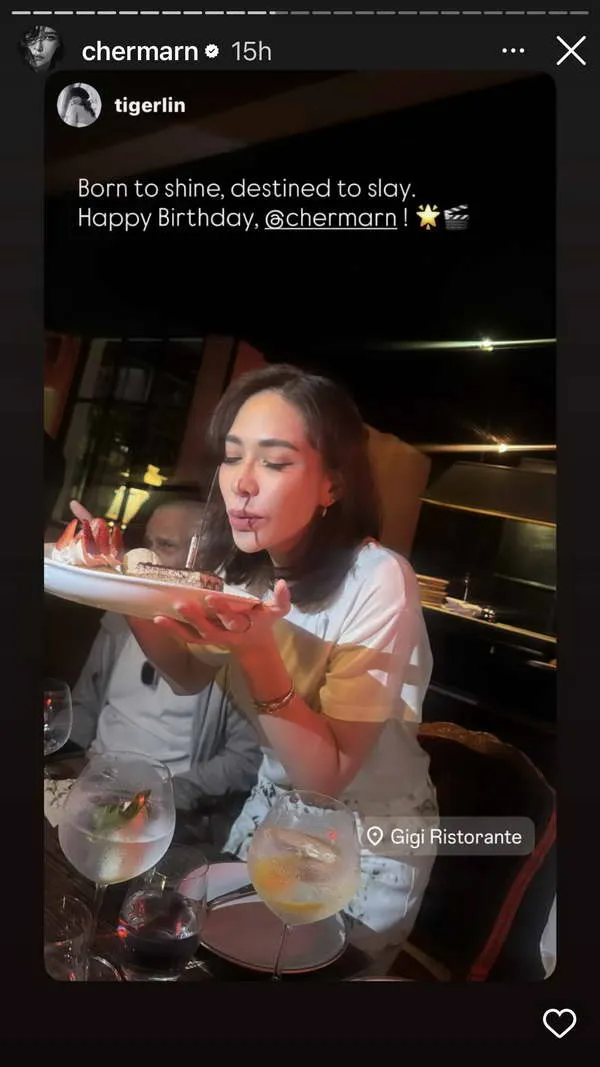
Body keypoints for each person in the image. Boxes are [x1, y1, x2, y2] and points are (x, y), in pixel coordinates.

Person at [72, 364, 438, 968]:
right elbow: (187, 674)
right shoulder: (246, 572)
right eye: (232, 456)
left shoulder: (377, 579)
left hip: (364, 842)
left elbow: (327, 777)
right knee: (224, 969)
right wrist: (121, 586)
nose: (240, 483)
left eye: (274, 461)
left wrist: (257, 651)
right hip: (270, 811)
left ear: (333, 484)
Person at [69, 499, 262, 851]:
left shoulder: (225, 643)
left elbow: (244, 759)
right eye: (148, 543)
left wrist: (165, 795)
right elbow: (85, 704)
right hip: (92, 780)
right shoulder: (119, 620)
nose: (148, 557)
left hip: (173, 808)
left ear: (205, 561)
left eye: (166, 546)